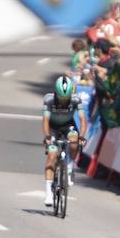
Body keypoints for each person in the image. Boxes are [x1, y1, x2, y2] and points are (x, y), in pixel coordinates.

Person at [42, 75, 88, 208]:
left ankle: (69, 168)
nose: (63, 101)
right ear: (56, 93)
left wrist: (82, 137)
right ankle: (48, 192)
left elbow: (82, 119)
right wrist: (47, 137)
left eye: (66, 98)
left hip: (68, 126)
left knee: (74, 141)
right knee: (52, 154)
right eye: (61, 98)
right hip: (53, 128)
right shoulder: (49, 99)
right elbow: (45, 121)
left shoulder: (76, 99)